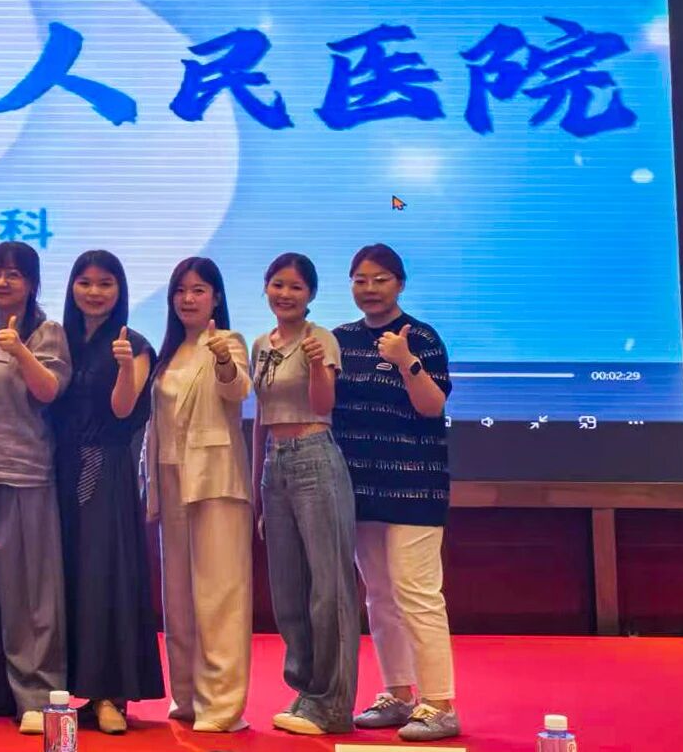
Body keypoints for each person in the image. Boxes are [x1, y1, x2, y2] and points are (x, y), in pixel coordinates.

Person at [333, 244, 460, 743]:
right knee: (380, 596)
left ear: (400, 284)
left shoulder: (421, 337)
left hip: (415, 485)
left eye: (380, 279)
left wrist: (406, 362)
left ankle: (441, 704)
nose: (369, 289)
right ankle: (399, 693)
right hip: (360, 486)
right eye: (360, 279)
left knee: (416, 592)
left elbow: (432, 406)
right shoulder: (340, 339)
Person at [0, 240, 73, 737]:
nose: (2, 281)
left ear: (32, 283)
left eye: (13, 274)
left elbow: (49, 391)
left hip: (26, 474)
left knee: (32, 594)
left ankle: (39, 694)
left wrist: (22, 352)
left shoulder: (47, 332)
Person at [52, 250, 165, 734]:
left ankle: (109, 695)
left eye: (105, 284)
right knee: (67, 579)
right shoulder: (60, 340)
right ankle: (70, 689)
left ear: (120, 291)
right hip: (58, 468)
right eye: (85, 282)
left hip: (104, 467)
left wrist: (123, 368)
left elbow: (123, 411)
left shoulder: (133, 343)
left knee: (104, 578)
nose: (94, 292)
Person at [250, 253, 358, 737]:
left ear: (310, 294)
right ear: (266, 288)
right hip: (275, 464)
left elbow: (323, 404)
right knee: (288, 588)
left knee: (328, 589)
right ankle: (305, 691)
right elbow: (261, 415)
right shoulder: (260, 344)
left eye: (296, 287)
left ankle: (332, 704)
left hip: (315, 456)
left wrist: (316, 366)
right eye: (278, 284)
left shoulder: (321, 340)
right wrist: (257, 484)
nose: (285, 294)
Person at [144, 255, 252, 733]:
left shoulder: (228, 341)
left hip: (215, 480)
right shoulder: (168, 353)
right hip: (170, 479)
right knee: (179, 597)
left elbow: (237, 390)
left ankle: (222, 705)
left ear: (216, 297)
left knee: (219, 594)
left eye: (199, 290)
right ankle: (187, 696)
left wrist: (224, 360)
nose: (188, 299)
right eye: (181, 290)